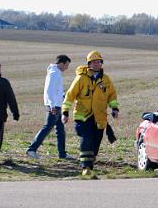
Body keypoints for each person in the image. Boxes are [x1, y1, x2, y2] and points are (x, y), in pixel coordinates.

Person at [62, 51, 119, 179]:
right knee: (86, 141)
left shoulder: (106, 79)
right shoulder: (81, 78)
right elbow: (70, 96)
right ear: (89, 64)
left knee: (95, 144)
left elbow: (112, 96)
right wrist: (65, 112)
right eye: (94, 62)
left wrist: (114, 108)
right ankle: (85, 168)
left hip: (99, 117)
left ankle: (90, 167)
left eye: (98, 61)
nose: (96, 64)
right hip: (83, 117)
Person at [26, 55, 72, 160]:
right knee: (47, 128)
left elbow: (56, 90)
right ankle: (31, 149)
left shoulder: (56, 72)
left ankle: (62, 154)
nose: (67, 68)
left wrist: (63, 96)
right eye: (67, 65)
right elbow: (49, 90)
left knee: (60, 130)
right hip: (54, 106)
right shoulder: (54, 73)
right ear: (62, 63)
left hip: (57, 105)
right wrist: (52, 105)